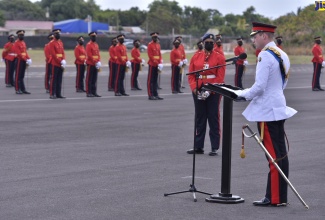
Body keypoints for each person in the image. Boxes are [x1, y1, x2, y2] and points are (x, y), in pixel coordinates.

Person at [234, 22, 297, 207]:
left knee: (274, 157)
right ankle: (278, 197)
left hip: (268, 111)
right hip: (277, 106)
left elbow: (260, 87)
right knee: (279, 154)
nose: (253, 40)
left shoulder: (265, 56)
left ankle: (275, 198)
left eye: (255, 36)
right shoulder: (281, 54)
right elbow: (280, 84)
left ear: (264, 35)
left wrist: (241, 94)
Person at [186, 33, 226, 156]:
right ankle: (199, 146)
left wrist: (210, 90)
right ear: (203, 43)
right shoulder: (196, 56)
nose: (209, 44)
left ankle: (214, 146)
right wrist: (194, 89)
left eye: (211, 42)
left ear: (213, 44)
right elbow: (191, 74)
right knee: (200, 117)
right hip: (198, 88)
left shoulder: (219, 57)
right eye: (206, 42)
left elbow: (220, 77)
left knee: (213, 117)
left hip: (213, 90)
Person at [48, 29, 66, 99]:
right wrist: (60, 61)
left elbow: (62, 52)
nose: (58, 35)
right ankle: (52, 94)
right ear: (54, 35)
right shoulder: (51, 43)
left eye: (58, 33)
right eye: (56, 34)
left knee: (59, 79)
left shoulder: (60, 42)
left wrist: (63, 60)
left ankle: (58, 93)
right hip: (55, 63)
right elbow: (53, 54)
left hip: (61, 63)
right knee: (53, 79)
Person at [14, 30, 32, 94]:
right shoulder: (16, 43)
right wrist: (25, 59)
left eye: (22, 35)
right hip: (19, 60)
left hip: (24, 60)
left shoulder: (23, 43)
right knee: (18, 75)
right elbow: (18, 53)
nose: (22, 36)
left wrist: (28, 58)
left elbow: (25, 52)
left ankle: (23, 89)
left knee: (22, 76)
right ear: (18, 36)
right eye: (20, 35)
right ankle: (17, 89)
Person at [147, 32, 163, 100]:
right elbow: (150, 56)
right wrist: (156, 62)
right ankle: (150, 94)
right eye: (154, 37)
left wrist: (160, 62)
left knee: (155, 80)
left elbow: (159, 54)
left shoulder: (158, 45)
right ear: (152, 38)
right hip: (152, 64)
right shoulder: (150, 45)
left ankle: (155, 94)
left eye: (156, 37)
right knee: (150, 80)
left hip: (157, 64)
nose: (155, 38)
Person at [85, 31, 101, 97]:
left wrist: (99, 61)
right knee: (89, 78)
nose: (94, 37)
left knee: (94, 78)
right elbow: (89, 55)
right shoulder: (89, 45)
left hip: (96, 64)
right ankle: (89, 92)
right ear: (90, 37)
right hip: (91, 63)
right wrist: (95, 61)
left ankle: (94, 92)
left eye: (94, 36)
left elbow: (98, 54)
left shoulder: (96, 45)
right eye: (92, 36)